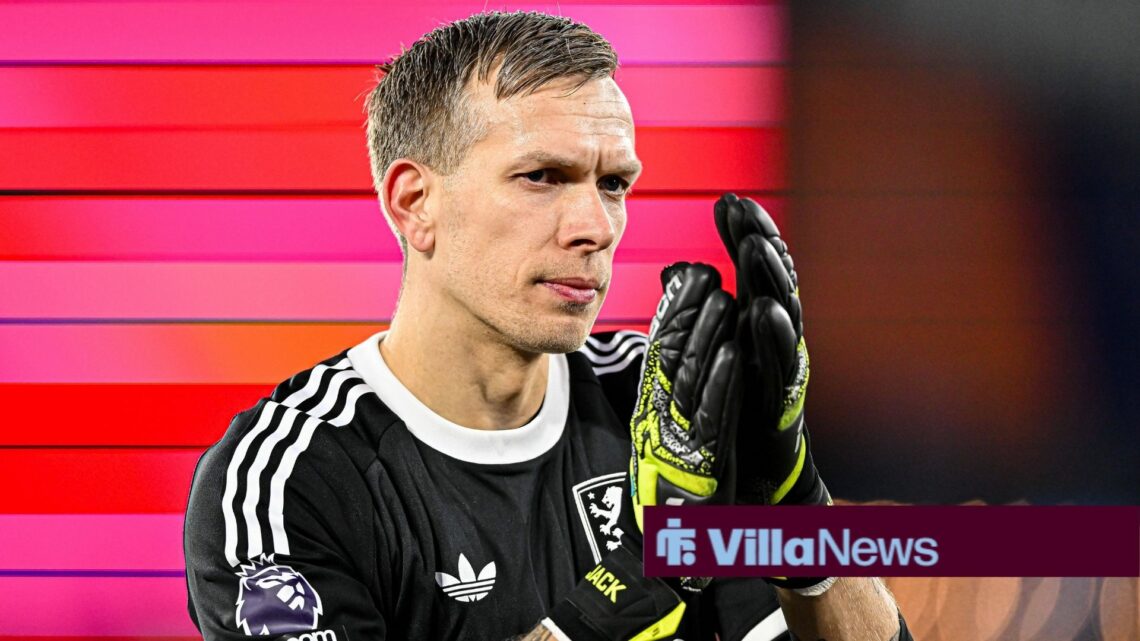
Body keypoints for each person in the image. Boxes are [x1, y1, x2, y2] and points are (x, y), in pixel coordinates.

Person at [184, 11, 910, 641]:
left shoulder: (663, 404)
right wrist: (637, 580)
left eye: (614, 183)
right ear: (414, 203)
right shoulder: (287, 479)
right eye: (542, 177)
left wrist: (793, 508)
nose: (595, 226)